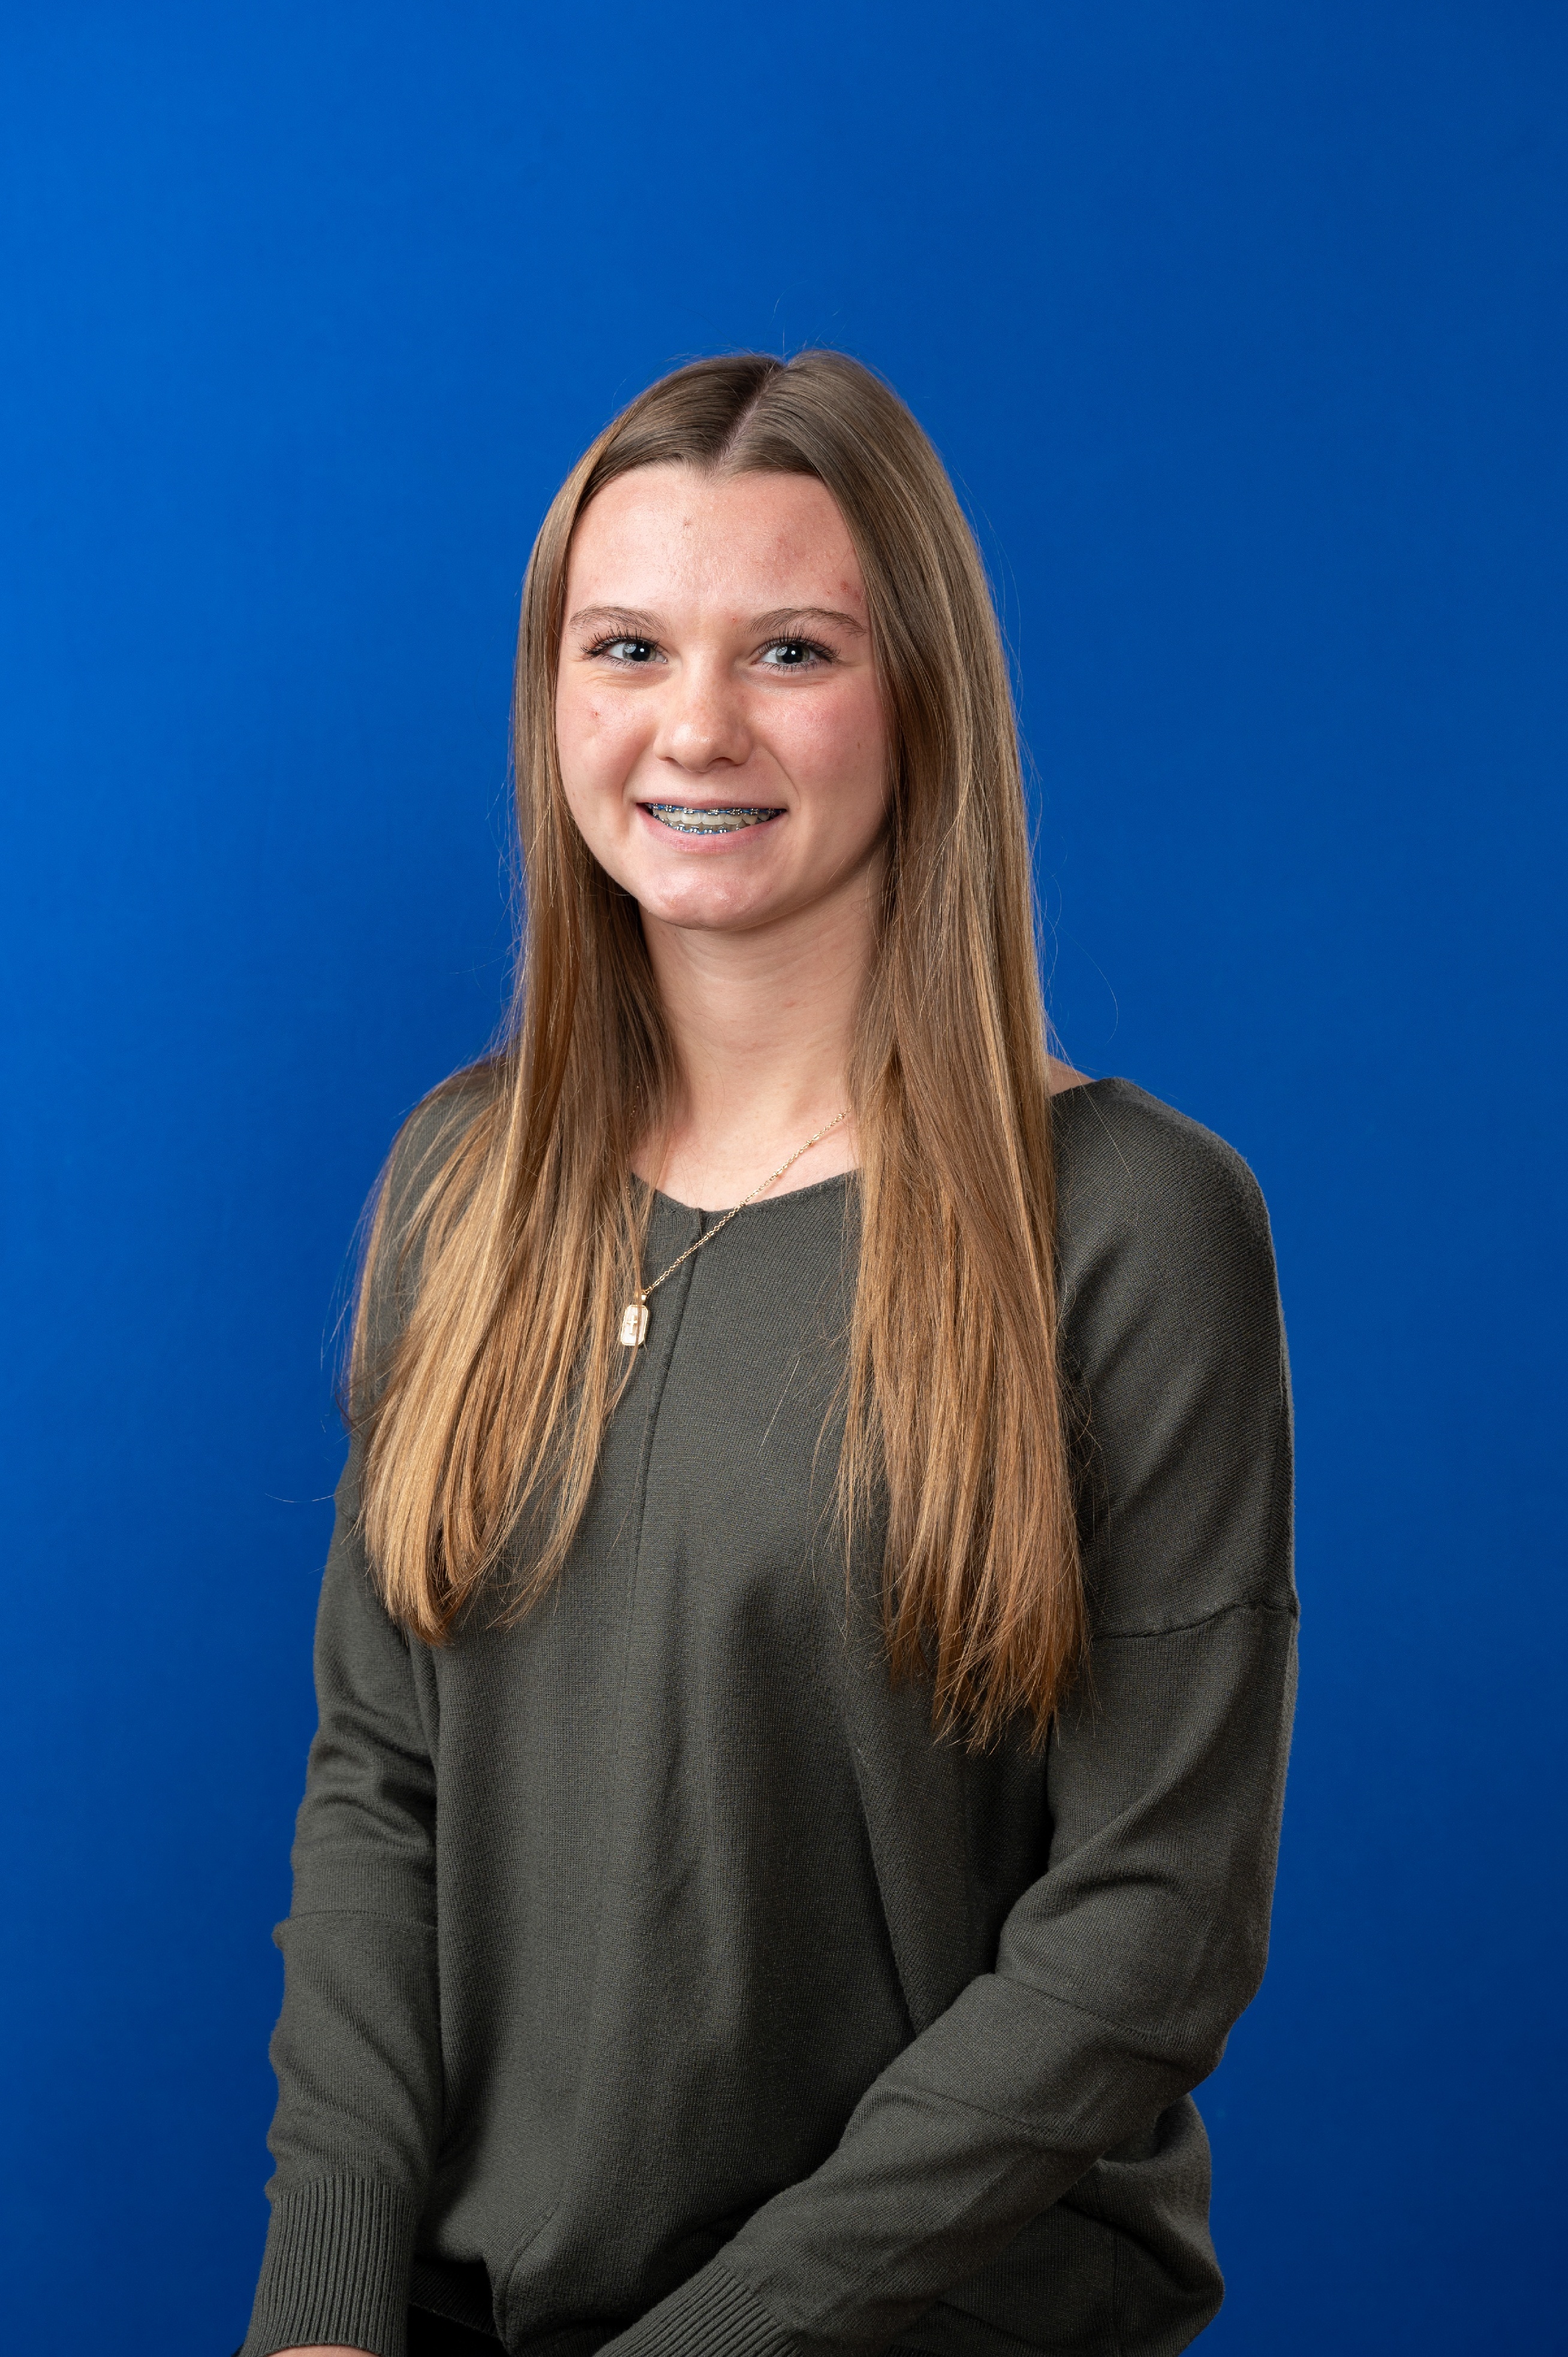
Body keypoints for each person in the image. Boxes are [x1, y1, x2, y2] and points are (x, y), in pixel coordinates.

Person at [239, 350, 1296, 2357]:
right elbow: (382, 1789)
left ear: (923, 697)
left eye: (793, 649)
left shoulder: (1130, 1225)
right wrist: (323, 2314)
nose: (696, 725)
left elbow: (1151, 1926)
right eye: (627, 645)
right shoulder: (467, 1181)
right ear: (556, 697)